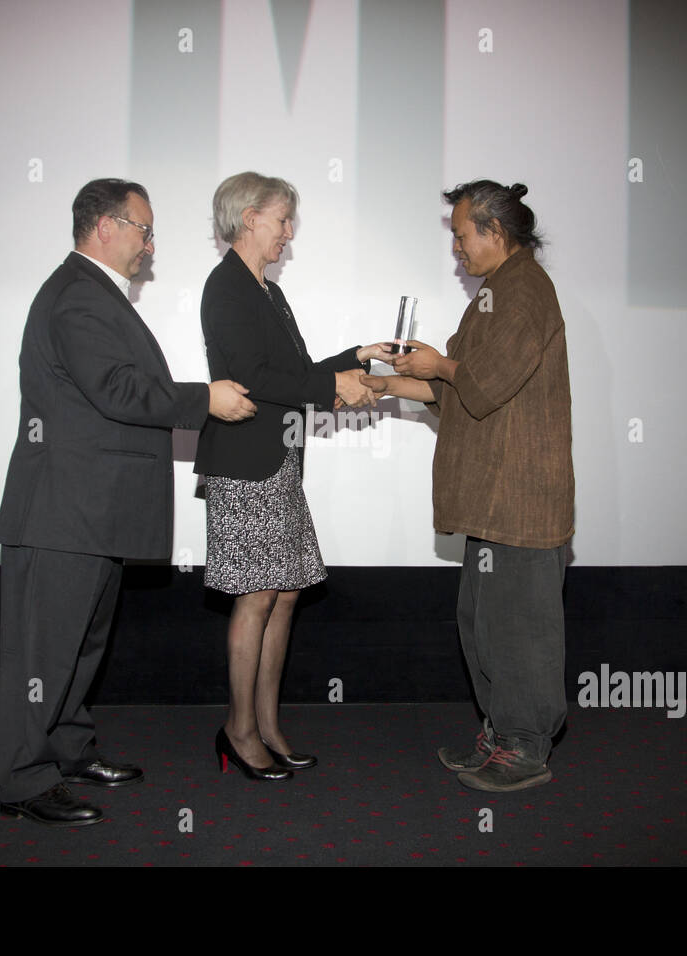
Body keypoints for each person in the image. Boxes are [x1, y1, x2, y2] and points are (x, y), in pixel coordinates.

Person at [0, 178, 257, 825]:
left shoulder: (92, 295)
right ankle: (24, 781)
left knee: (80, 646)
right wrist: (205, 399)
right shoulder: (77, 297)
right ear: (105, 226)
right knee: (44, 655)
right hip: (63, 515)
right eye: (144, 229)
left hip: (90, 516)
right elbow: (117, 389)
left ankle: (69, 749)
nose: (150, 243)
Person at [363, 180, 574, 792]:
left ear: (495, 232)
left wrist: (439, 366)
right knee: (482, 621)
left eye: (461, 235)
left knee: (520, 628)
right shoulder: (495, 293)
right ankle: (501, 733)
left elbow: (481, 382)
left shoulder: (526, 291)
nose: (456, 248)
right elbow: (451, 387)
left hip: (522, 497)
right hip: (493, 496)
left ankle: (525, 748)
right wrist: (384, 384)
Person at [194, 171, 389, 780]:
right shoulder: (225, 286)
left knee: (286, 592)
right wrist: (333, 385)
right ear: (248, 216)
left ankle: (269, 724)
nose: (288, 233)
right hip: (245, 464)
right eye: (282, 220)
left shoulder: (268, 292)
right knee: (255, 597)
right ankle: (238, 729)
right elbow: (254, 378)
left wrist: (357, 357)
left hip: (278, 462)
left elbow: (298, 373)